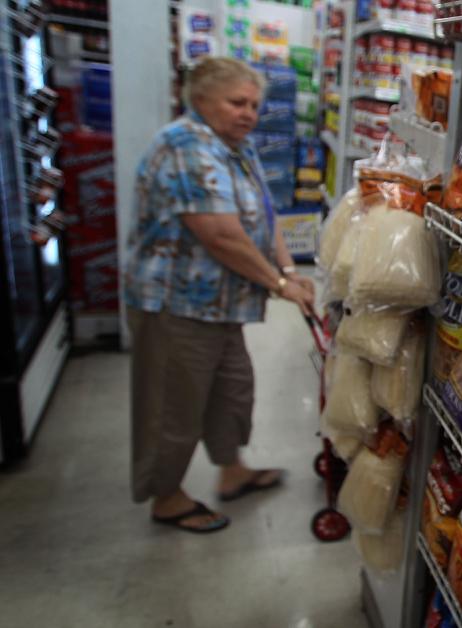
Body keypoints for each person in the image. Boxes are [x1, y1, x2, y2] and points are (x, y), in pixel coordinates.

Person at [123, 57, 316, 533]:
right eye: (237, 102)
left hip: (222, 303)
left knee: (231, 388)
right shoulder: (186, 147)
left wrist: (290, 268)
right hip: (177, 304)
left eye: (253, 104)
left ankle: (233, 470)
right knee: (173, 405)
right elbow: (219, 234)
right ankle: (165, 496)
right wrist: (278, 285)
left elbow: (266, 216)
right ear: (201, 99)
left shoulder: (237, 148)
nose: (248, 113)